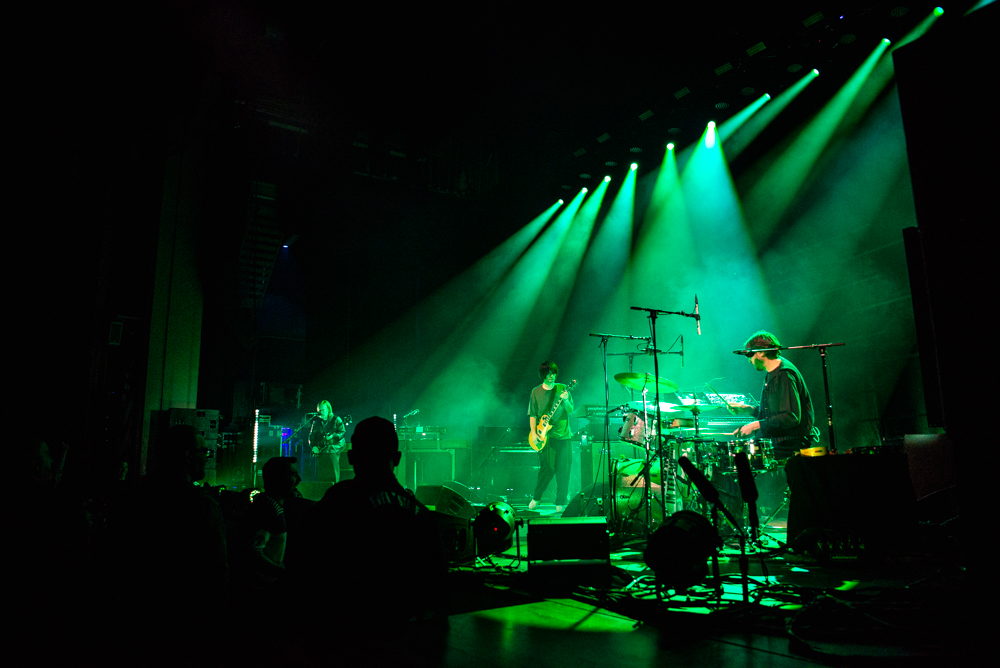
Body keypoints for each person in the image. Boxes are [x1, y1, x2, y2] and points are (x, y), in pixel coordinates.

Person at [294, 417, 446, 630]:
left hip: (349, 633)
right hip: (405, 635)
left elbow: (304, 564)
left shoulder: (338, 502)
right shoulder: (420, 513)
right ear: (398, 458)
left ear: (351, 457)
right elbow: (437, 582)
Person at [729, 330, 819, 460]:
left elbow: (790, 417)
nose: (749, 360)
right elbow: (774, 413)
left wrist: (754, 425)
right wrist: (749, 409)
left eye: (750, 355)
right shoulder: (772, 373)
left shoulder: (784, 374)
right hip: (781, 444)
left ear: (761, 352)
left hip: (789, 447)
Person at [527, 361, 575, 512]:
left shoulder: (562, 388)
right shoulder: (535, 392)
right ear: (543, 375)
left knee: (564, 470)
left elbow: (570, 410)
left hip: (564, 436)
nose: (551, 376)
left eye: (553, 373)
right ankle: (537, 497)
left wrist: (566, 399)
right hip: (545, 437)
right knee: (547, 467)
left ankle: (560, 501)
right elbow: (533, 415)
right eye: (548, 374)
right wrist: (534, 433)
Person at [309, 400, 346, 484]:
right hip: (324, 446)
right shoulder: (316, 422)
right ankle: (322, 484)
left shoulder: (336, 419)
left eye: (324, 410)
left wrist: (333, 436)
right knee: (321, 457)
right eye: (320, 410)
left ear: (329, 409)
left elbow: (342, 432)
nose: (321, 412)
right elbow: (311, 437)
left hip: (336, 444)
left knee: (331, 452)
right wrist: (314, 446)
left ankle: (335, 484)